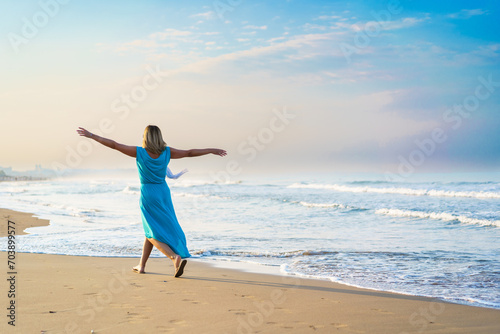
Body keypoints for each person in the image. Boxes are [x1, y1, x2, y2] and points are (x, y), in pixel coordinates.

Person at [76, 125, 226, 277]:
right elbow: (189, 153)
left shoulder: (140, 152)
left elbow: (114, 145)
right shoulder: (167, 152)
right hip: (163, 193)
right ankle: (141, 265)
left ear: (145, 137)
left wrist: (92, 135)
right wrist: (211, 150)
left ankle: (174, 257)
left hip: (148, 193)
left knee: (150, 232)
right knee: (151, 228)